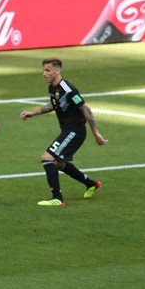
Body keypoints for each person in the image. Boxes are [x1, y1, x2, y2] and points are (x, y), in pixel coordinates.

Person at [19, 58, 107, 207]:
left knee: (47, 158)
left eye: (47, 70)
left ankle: (58, 198)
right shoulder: (52, 88)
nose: (44, 74)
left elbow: (85, 109)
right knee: (59, 163)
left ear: (57, 70)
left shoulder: (68, 88)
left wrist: (96, 133)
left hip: (75, 131)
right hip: (68, 130)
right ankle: (91, 184)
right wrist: (33, 113)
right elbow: (54, 105)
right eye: (43, 70)